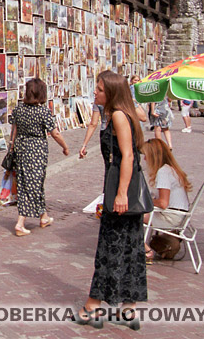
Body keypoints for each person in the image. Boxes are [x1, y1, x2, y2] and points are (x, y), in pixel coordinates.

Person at [77, 70, 147, 329]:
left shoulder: (119, 115)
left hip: (121, 191)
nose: (95, 92)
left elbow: (127, 157)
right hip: (121, 188)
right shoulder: (120, 114)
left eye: (99, 89)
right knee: (129, 247)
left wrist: (120, 194)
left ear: (112, 92)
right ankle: (128, 309)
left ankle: (93, 306)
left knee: (109, 247)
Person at [8, 78, 69, 236]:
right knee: (33, 184)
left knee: (28, 182)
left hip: (21, 149)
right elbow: (54, 132)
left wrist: (11, 147)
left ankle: (44, 217)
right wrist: (65, 146)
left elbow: (13, 130)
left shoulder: (18, 109)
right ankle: (21, 222)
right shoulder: (42, 111)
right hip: (36, 150)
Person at [139, 138, 191, 262]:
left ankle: (146, 250)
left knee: (130, 216)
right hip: (178, 214)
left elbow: (163, 203)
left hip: (171, 217)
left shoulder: (163, 172)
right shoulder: (170, 169)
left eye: (146, 156)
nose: (144, 159)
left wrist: (146, 201)